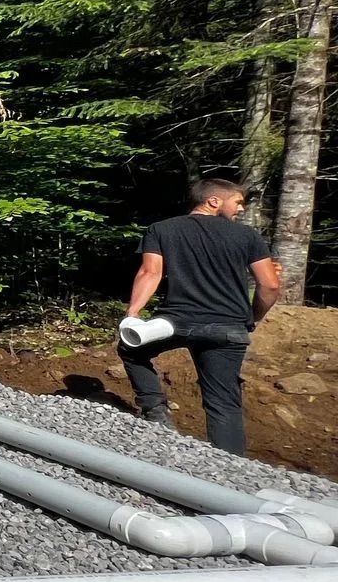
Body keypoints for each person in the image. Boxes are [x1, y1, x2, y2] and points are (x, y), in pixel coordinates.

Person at [119, 177, 282, 455]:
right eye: (238, 202)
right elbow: (270, 285)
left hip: (174, 323)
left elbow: (150, 273)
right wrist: (251, 317)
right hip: (228, 327)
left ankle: (155, 410)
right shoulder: (247, 236)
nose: (241, 209)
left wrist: (132, 314)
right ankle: (230, 468)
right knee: (222, 401)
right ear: (214, 201)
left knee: (131, 348)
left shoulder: (162, 229)